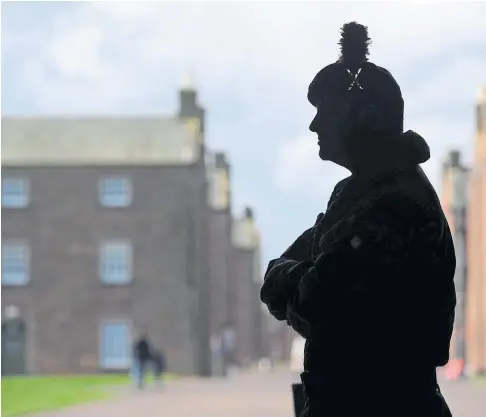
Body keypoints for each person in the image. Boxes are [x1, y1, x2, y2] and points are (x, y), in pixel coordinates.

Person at [260, 22, 456, 417]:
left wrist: (290, 278)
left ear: (363, 118)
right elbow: (283, 273)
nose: (315, 126)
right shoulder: (356, 194)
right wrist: (293, 276)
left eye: (325, 113)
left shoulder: (396, 203)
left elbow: (320, 304)